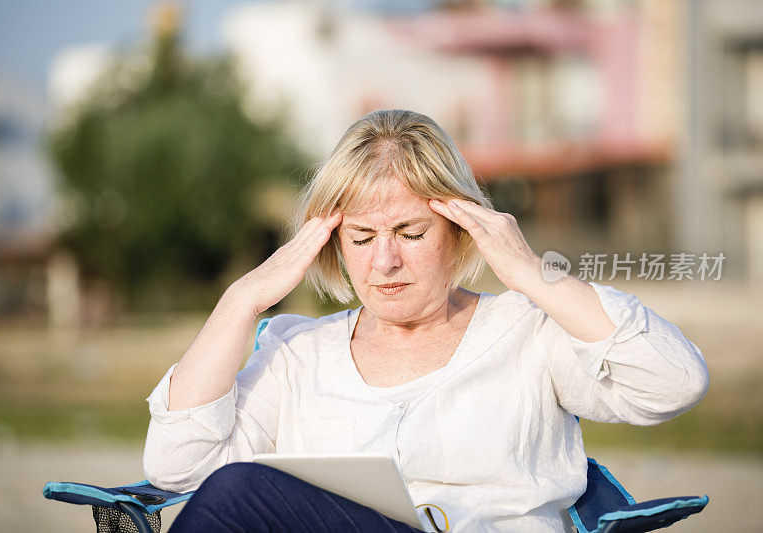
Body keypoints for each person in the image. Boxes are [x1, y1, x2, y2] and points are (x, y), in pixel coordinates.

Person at [142, 109, 709, 532]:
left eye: (411, 234)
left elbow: (673, 383)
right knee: (237, 491)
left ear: (462, 229)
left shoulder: (527, 333)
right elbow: (179, 469)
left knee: (241, 491)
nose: (384, 261)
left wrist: (534, 274)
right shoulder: (299, 354)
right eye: (361, 238)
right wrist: (242, 299)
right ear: (333, 243)